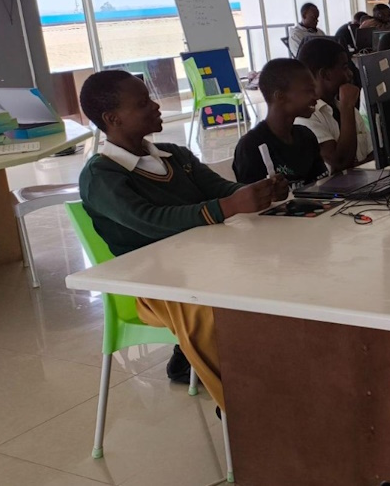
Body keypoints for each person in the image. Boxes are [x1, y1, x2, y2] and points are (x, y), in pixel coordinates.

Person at [77, 70, 286, 410]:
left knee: (273, 278)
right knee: (205, 310)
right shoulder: (101, 175)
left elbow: (220, 190)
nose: (155, 106)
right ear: (112, 119)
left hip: (202, 266)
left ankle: (280, 374)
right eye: (142, 104)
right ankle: (242, 409)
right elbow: (150, 221)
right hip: (153, 285)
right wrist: (229, 206)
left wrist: (258, 193)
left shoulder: (175, 155)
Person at [233, 58, 329, 188]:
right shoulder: (251, 146)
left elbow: (322, 187)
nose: (316, 96)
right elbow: (251, 198)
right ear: (280, 96)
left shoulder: (306, 136)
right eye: (309, 90)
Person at [296, 37, 374, 173]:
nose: (350, 74)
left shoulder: (344, 107)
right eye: (344, 68)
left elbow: (374, 155)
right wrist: (347, 107)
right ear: (325, 74)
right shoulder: (307, 116)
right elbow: (340, 164)